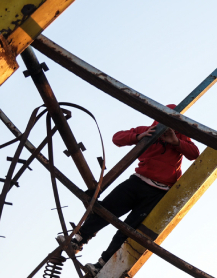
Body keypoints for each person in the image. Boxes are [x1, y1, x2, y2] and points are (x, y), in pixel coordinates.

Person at [71, 107, 200, 269]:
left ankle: (102, 264)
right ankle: (78, 239)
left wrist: (175, 142)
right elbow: (117, 138)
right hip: (137, 182)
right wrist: (138, 136)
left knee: (128, 230)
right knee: (106, 210)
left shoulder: (180, 137)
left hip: (158, 193)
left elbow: (194, 154)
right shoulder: (148, 131)